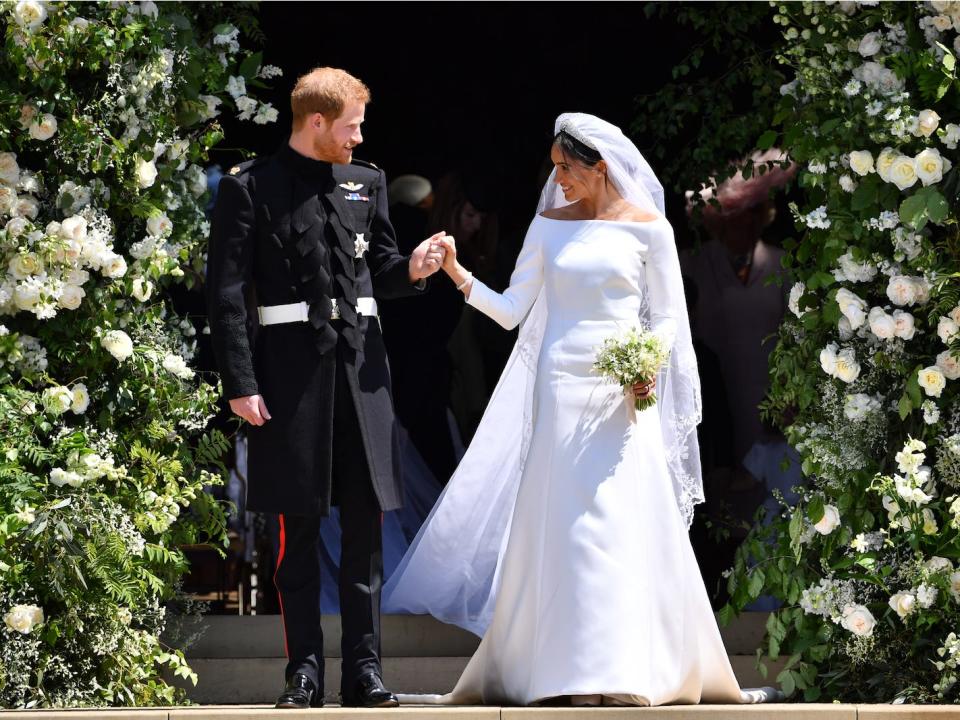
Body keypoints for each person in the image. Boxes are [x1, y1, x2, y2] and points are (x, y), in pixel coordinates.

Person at [383, 113, 779, 706]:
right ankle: (560, 672)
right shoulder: (547, 226)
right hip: (558, 388)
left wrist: (649, 362)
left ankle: (625, 669)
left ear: (599, 165)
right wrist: (458, 274)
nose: (558, 180)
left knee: (619, 523)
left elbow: (669, 316)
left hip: (622, 392)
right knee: (562, 526)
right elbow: (514, 310)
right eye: (554, 170)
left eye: (566, 168)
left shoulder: (650, 229)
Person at [206, 66, 446, 710]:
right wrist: (240, 381)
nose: (359, 138)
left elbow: (383, 269)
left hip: (363, 377)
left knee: (366, 533)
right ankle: (303, 673)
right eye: (351, 126)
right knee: (299, 537)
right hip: (288, 379)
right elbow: (227, 295)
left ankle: (364, 673)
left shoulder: (367, 183)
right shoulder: (250, 188)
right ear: (316, 122)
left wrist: (415, 269)